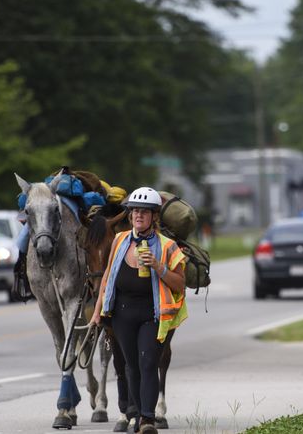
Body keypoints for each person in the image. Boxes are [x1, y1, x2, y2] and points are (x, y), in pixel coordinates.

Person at [89, 186, 188, 434]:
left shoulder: (167, 246)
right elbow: (108, 277)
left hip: (152, 313)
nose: (138, 216)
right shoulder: (121, 240)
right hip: (122, 313)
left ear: (154, 216)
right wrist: (96, 313)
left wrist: (158, 266)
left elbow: (180, 283)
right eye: (134, 211)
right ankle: (133, 414)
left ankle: (147, 419)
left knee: (148, 363)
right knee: (129, 366)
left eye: (144, 212)